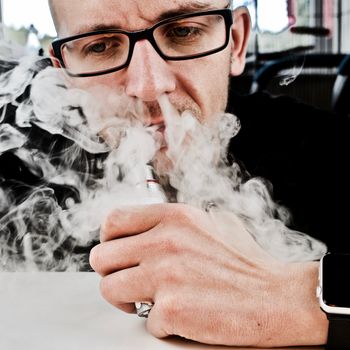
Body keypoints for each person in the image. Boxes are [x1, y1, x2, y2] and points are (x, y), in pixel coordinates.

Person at [1, 0, 349, 347]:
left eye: (183, 31)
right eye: (101, 46)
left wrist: (303, 299)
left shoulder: (329, 154)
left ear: (236, 40)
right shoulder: (16, 176)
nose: (149, 87)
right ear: (65, 71)